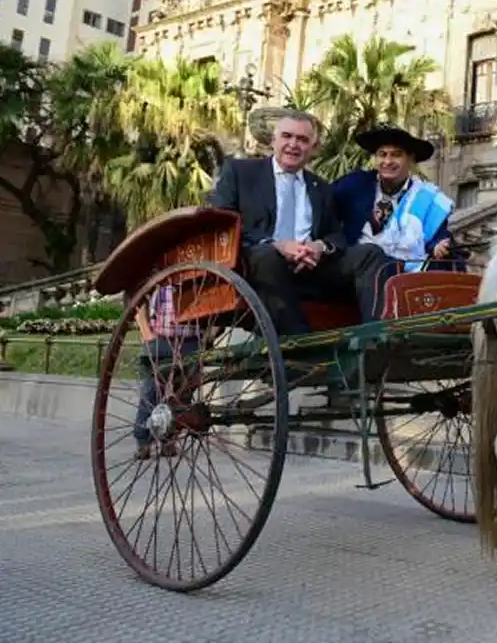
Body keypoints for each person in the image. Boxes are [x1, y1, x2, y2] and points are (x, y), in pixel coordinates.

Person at [207, 108, 390, 336]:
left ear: (312, 149)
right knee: (267, 256)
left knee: (370, 253)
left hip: (311, 269)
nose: (294, 144)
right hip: (259, 266)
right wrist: (276, 245)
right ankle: (301, 344)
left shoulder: (321, 188)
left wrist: (319, 247)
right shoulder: (241, 172)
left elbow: (336, 236)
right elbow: (222, 219)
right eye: (287, 136)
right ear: (273, 140)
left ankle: (375, 338)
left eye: (302, 140)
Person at [331, 125, 461, 273]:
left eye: (396, 155)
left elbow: (438, 238)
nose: (388, 161)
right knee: (370, 253)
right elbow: (324, 209)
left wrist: (438, 247)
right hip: (355, 270)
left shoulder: (426, 198)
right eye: (382, 154)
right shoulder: (355, 184)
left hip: (402, 275)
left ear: (411, 159)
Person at [132, 283, 202, 460]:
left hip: (191, 341)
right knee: (151, 392)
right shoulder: (162, 273)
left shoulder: (198, 279)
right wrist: (147, 333)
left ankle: (169, 439)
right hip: (161, 339)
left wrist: (209, 336)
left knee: (184, 394)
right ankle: (143, 441)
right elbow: (138, 297)